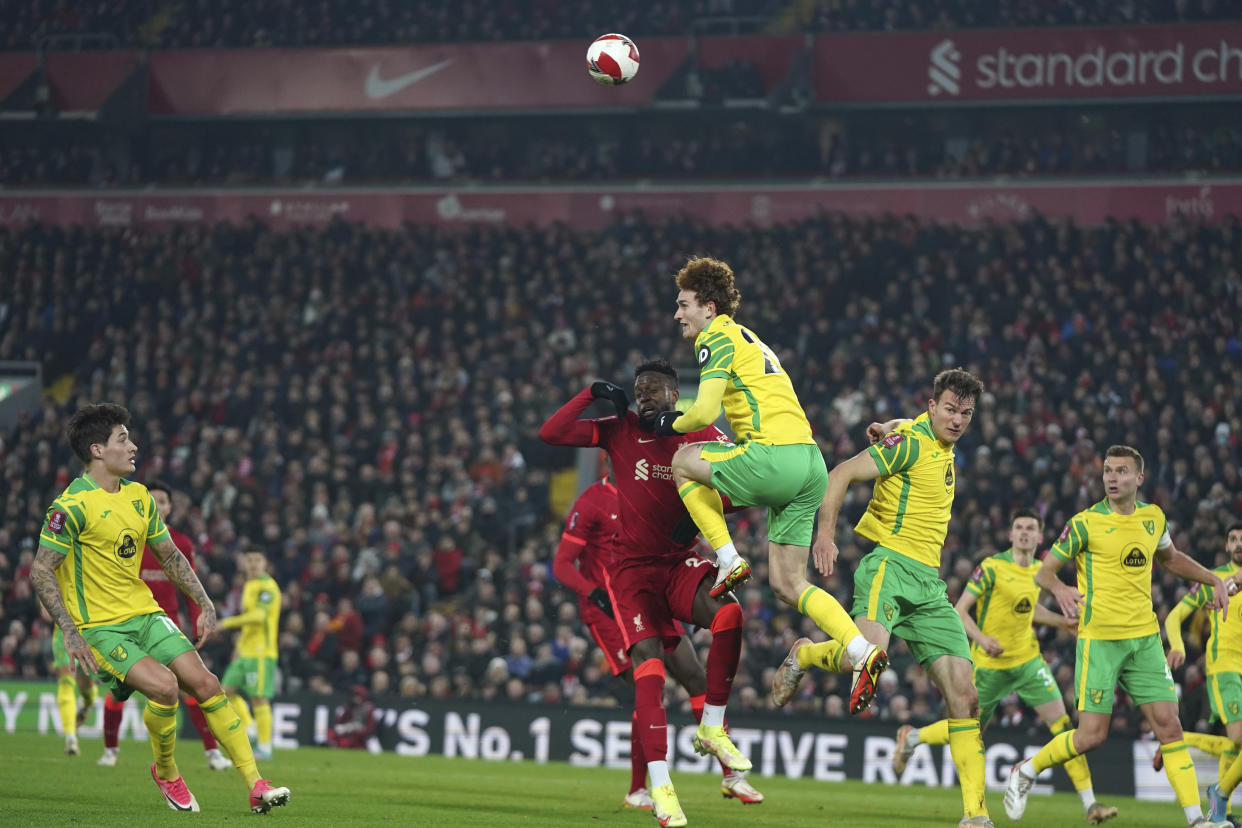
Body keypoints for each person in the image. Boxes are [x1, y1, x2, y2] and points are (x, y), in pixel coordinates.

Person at [28, 402, 290, 814]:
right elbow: (41, 571)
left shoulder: (138, 498)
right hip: (100, 627)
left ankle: (257, 784)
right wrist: (70, 629)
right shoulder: (70, 507)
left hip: (147, 615)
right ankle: (167, 772)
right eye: (123, 439)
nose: (133, 446)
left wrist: (203, 601)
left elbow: (170, 557)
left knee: (207, 684)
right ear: (97, 450)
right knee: (165, 687)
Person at [652, 256, 885, 715]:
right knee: (787, 582)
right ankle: (860, 651)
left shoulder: (715, 335)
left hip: (774, 457)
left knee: (683, 461)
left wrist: (664, 420)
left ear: (709, 307)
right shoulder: (751, 337)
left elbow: (702, 414)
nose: (677, 314)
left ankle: (728, 558)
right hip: (809, 462)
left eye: (683, 305)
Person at [540, 358, 753, 828]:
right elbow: (551, 434)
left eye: (653, 389)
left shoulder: (699, 434)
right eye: (639, 389)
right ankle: (658, 787)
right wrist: (591, 393)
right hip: (631, 575)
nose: (644, 396)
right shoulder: (622, 429)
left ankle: (714, 732)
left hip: (677, 564)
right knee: (650, 671)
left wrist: (713, 508)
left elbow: (744, 485)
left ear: (677, 396)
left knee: (729, 616)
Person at [798, 368, 993, 828]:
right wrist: (825, 536)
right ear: (932, 406)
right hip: (889, 565)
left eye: (966, 413)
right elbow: (840, 473)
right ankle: (805, 654)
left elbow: (911, 427)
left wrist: (890, 425)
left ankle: (976, 816)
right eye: (949, 409)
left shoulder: (934, 438)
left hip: (929, 584)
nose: (958, 419)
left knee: (965, 698)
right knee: (863, 659)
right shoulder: (908, 443)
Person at [1004, 445, 1231, 828]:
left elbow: (1171, 558)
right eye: (1108, 471)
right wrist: (1060, 590)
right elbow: (1045, 571)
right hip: (1100, 641)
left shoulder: (1153, 518)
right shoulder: (1085, 523)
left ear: (1139, 478)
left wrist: (1212, 578)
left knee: (1170, 726)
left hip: (1143, 640)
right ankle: (1026, 770)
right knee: (1091, 736)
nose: (1112, 477)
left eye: (1121, 471)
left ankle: (1197, 821)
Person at [892, 509, 1117, 825]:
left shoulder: (1039, 571)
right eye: (1019, 528)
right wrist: (982, 640)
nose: (1024, 533)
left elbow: (1027, 609)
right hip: (989, 666)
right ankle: (913, 738)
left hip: (1028, 662)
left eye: (1031, 528)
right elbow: (960, 611)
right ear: (1011, 535)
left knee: (1065, 726)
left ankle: (1090, 804)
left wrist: (1060, 622)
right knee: (967, 730)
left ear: (1040, 537)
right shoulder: (992, 568)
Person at [552, 472, 763, 809]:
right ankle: (638, 789)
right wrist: (593, 593)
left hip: (650, 594)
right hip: (610, 608)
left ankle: (731, 776)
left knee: (694, 676)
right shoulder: (592, 501)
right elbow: (562, 564)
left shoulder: (651, 489)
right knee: (649, 683)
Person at [98, 478, 231, 771]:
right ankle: (110, 750)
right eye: (153, 500)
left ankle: (212, 753)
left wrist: (198, 613)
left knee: (191, 688)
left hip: (166, 625)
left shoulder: (180, 543)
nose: (158, 505)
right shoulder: (127, 537)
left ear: (170, 507)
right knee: (119, 691)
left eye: (163, 501)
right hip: (127, 626)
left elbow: (188, 583)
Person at [1163, 523, 1242, 822]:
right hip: (1225, 666)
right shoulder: (1212, 579)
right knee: (1238, 736)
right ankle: (1222, 801)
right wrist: (1179, 646)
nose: (1238, 544)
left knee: (1235, 743)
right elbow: (1174, 617)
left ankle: (1221, 803)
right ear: (1225, 546)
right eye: (1233, 539)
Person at [220, 549, 283, 761]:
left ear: (265, 562)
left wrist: (225, 624)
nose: (253, 563)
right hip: (245, 651)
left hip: (261, 653)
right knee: (224, 692)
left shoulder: (268, 587)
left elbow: (257, 617)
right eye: (249, 560)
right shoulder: (249, 585)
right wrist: (239, 646)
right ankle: (250, 728)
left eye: (258, 559)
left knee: (259, 698)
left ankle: (265, 747)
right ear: (244, 563)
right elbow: (250, 623)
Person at [44, 606, 96, 756]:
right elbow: (45, 612)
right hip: (64, 632)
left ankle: (87, 704)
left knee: (86, 684)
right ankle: (70, 738)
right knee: (67, 681)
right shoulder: (53, 582)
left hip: (90, 629)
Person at [327, 685, 377, 749]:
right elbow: (340, 722)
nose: (356, 699)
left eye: (358, 696)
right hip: (349, 734)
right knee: (331, 733)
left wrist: (356, 729)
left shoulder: (368, 709)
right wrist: (346, 727)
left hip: (364, 738)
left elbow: (370, 728)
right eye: (355, 696)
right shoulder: (349, 708)